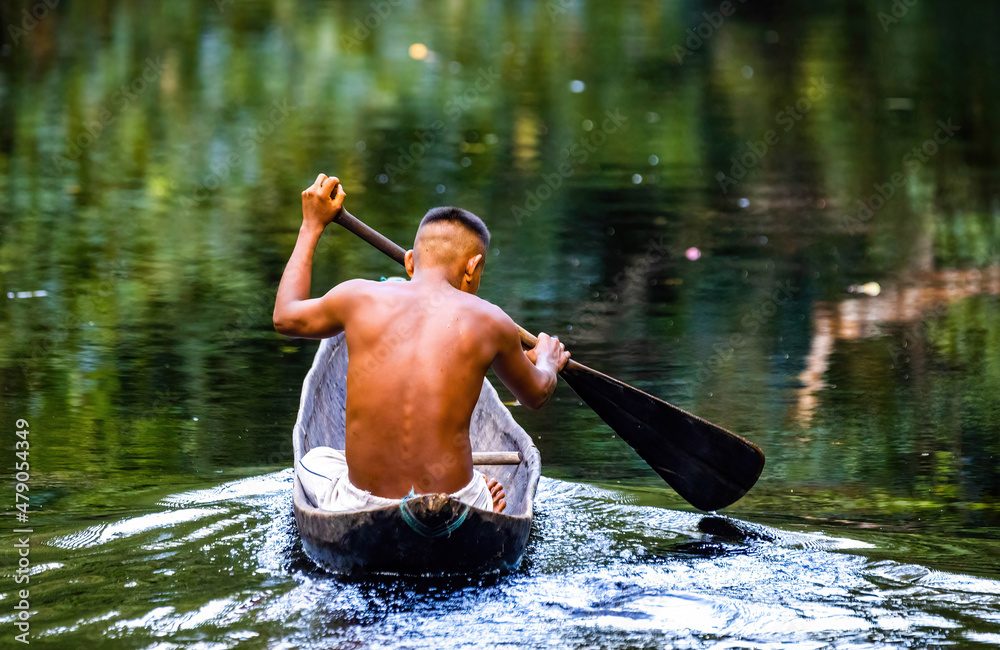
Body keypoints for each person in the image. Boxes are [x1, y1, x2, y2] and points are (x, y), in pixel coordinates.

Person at [273, 173, 570, 513]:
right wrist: (547, 360)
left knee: (316, 458)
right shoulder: (491, 321)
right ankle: (477, 498)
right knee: (475, 489)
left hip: (363, 502)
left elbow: (285, 316)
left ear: (411, 261)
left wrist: (311, 225)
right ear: (472, 268)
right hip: (456, 504)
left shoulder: (357, 295)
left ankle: (398, 503)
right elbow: (535, 394)